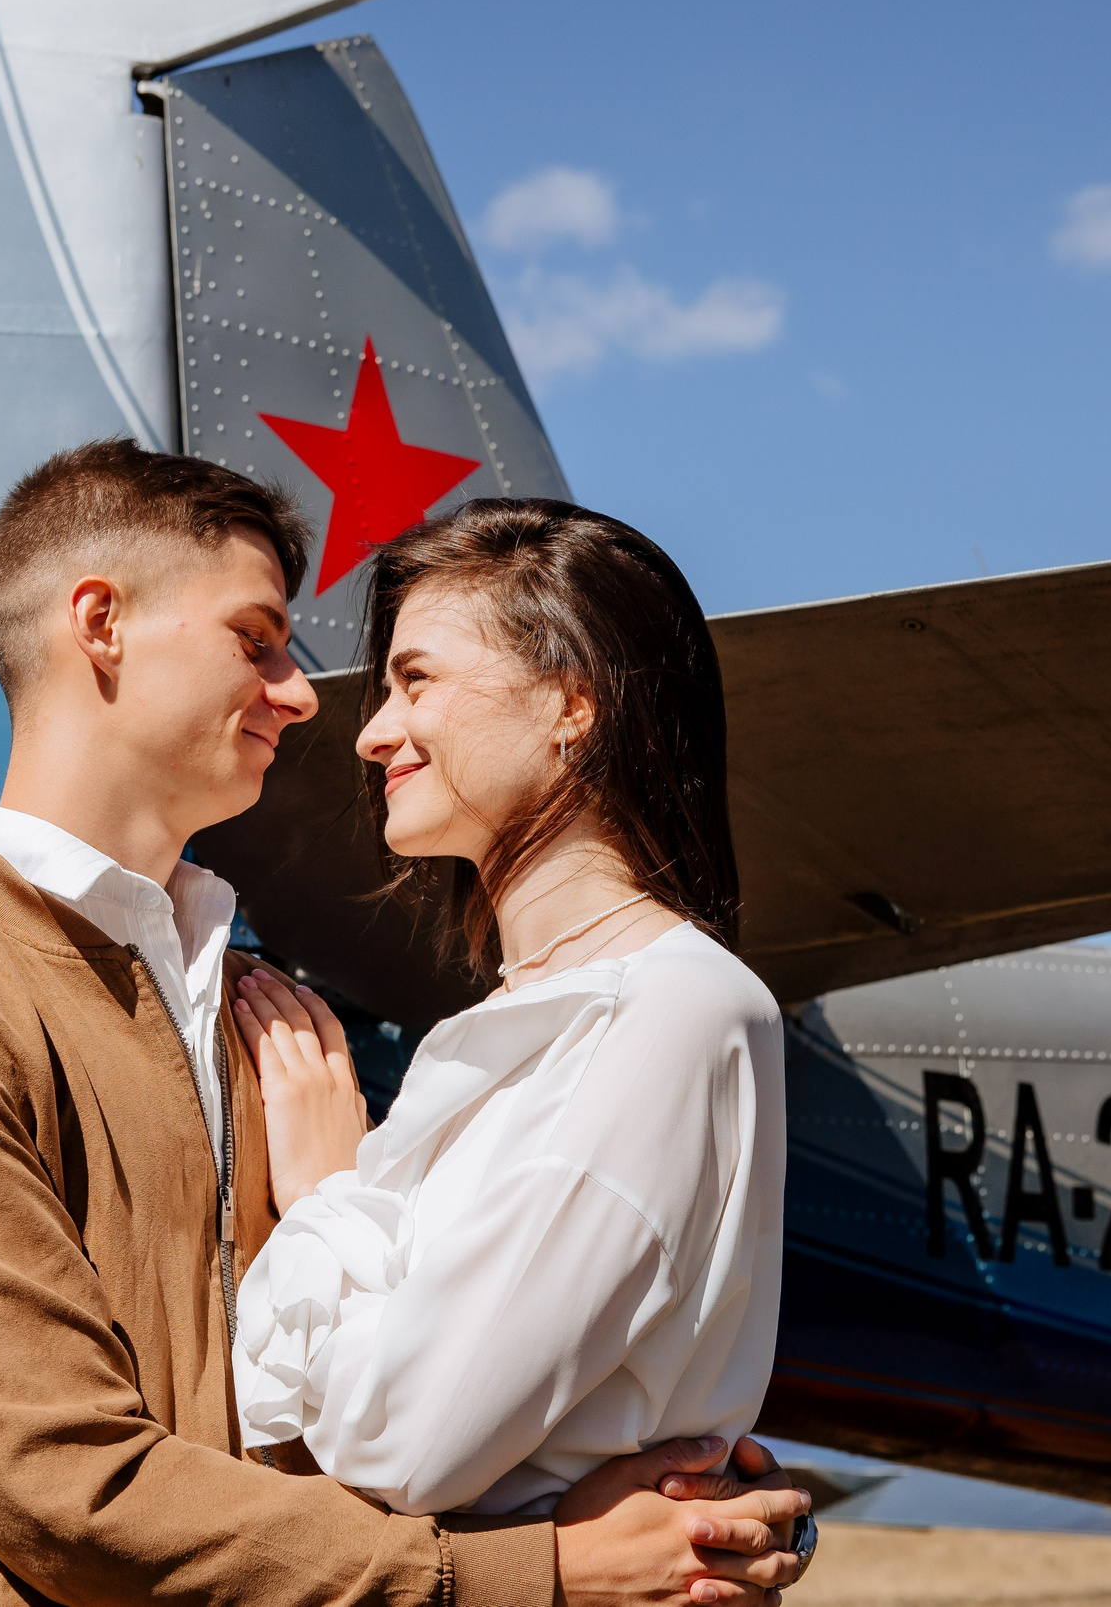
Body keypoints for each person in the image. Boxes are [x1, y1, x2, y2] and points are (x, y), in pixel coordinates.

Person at [0, 441, 811, 1607]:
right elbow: (74, 1494)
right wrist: (536, 1569)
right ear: (99, 625)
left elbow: (303, 1433)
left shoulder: (250, 1023)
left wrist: (661, 1486)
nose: (310, 698)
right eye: (255, 639)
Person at [229, 501, 794, 1531]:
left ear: (570, 703)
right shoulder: (533, 1018)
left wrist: (323, 1194)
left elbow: (403, 1443)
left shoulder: (668, 1014)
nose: (371, 732)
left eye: (418, 680)